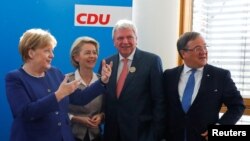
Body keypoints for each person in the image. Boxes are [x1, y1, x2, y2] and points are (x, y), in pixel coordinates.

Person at [5, 28, 112, 141]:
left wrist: (102, 81)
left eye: (52, 51)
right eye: (47, 51)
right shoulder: (15, 78)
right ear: (31, 53)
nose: (52, 55)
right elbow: (25, 113)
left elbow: (80, 98)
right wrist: (58, 95)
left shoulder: (55, 72)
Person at [163, 31, 245, 141]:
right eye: (198, 48)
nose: (204, 52)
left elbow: (237, 106)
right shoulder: (169, 75)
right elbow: (160, 106)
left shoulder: (221, 76)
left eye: (205, 47)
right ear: (183, 53)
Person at [99, 19, 166, 141]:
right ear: (114, 42)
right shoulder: (107, 63)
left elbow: (159, 100)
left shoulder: (151, 61)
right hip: (112, 133)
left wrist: (156, 134)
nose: (125, 41)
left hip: (142, 133)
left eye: (129, 37)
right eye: (120, 38)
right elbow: (103, 97)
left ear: (136, 39)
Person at [68, 36, 105, 141]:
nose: (92, 56)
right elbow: (58, 111)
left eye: (94, 52)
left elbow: (108, 108)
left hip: (96, 136)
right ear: (76, 57)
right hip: (71, 136)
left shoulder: (103, 81)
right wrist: (75, 118)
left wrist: (102, 116)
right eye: (88, 53)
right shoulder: (66, 81)